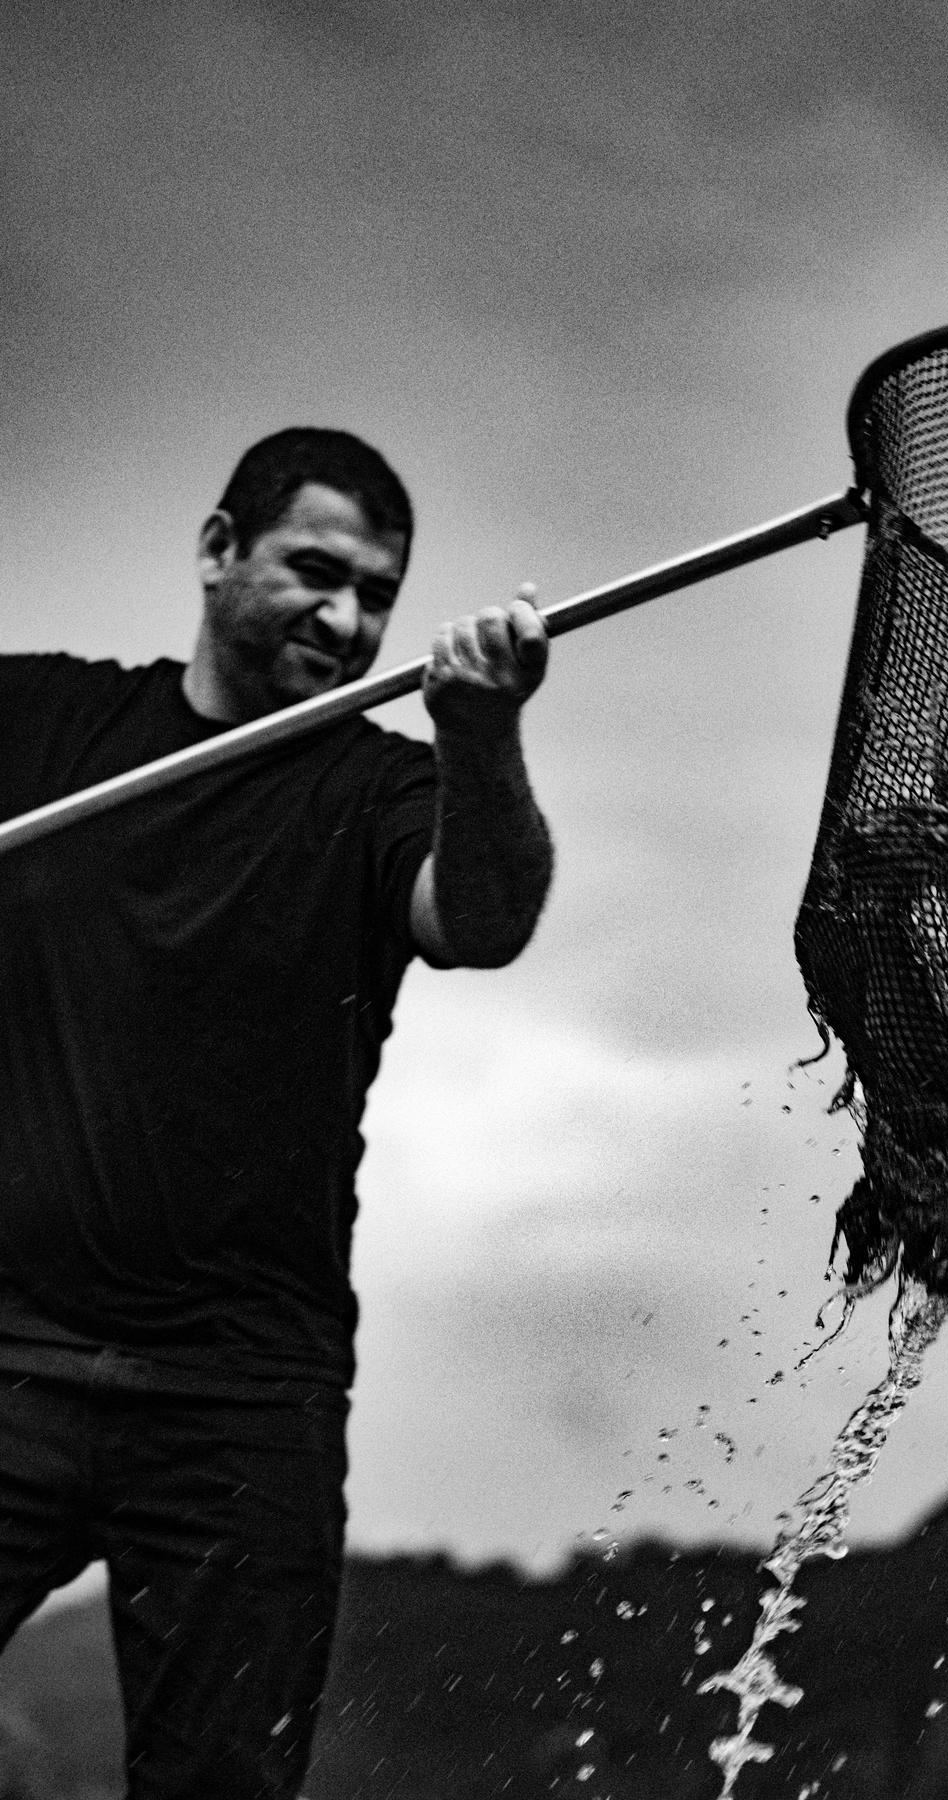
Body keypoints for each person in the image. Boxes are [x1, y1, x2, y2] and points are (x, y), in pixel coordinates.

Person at [0, 427, 554, 1797]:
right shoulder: (42, 727)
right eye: (315, 570)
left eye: (377, 592)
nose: (348, 617)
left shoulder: (381, 788)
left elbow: (479, 922)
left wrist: (479, 735)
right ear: (215, 551)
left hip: (245, 1398)